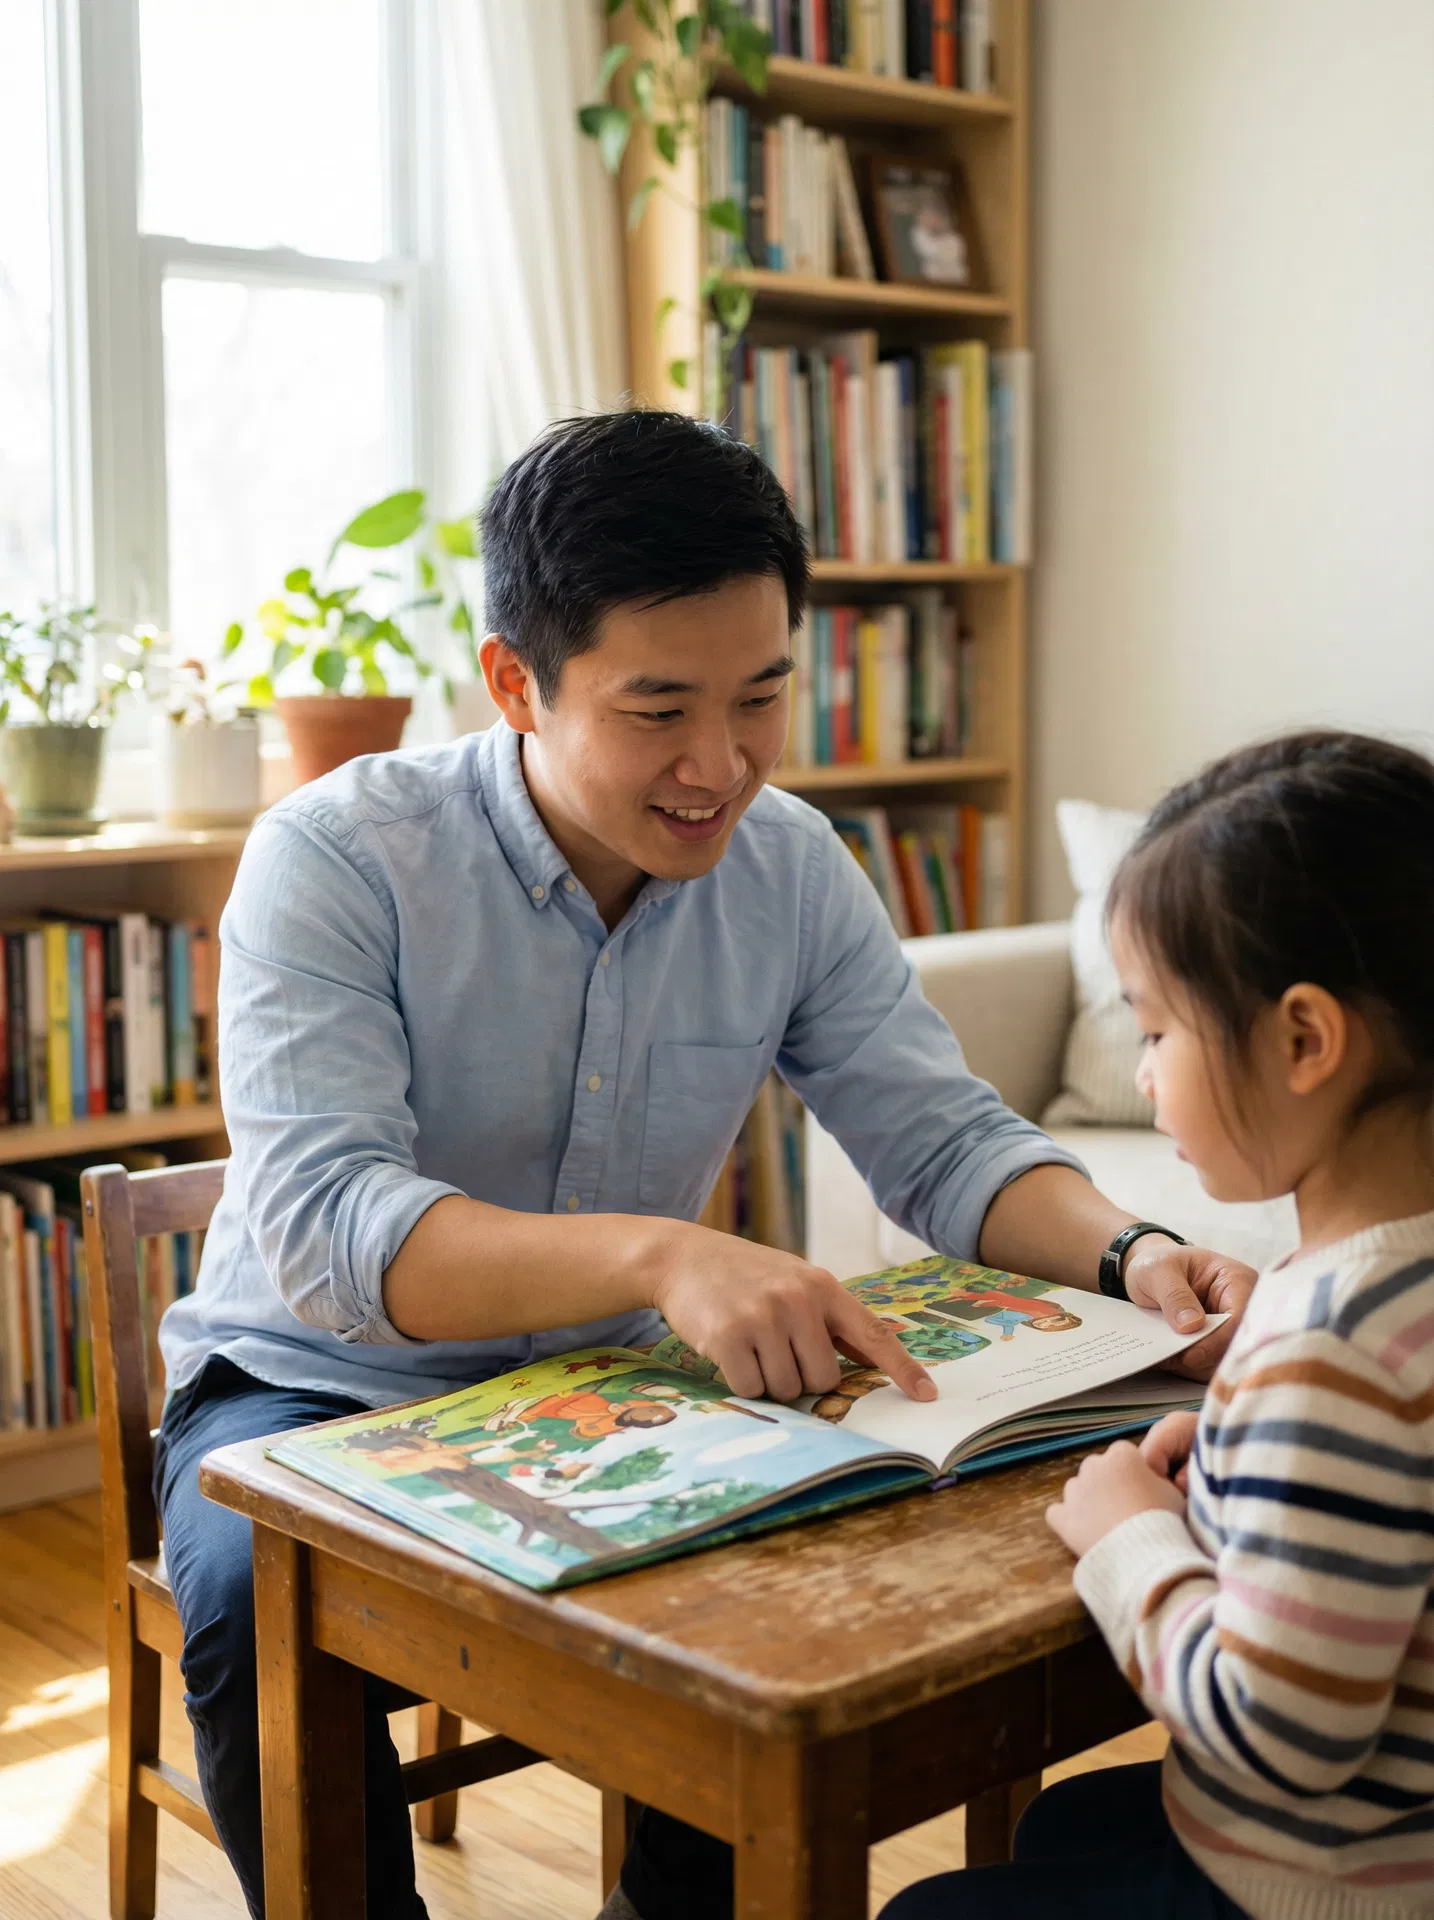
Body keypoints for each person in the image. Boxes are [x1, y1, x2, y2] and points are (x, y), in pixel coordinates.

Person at [151, 408, 1252, 1920]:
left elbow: (939, 1137)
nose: (719, 766)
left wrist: (1134, 1254)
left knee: (783, 1653)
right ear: (513, 684)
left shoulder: (789, 862)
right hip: (307, 1390)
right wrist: (666, 1256)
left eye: (761, 699)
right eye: (657, 709)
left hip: (614, 1387)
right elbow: (338, 1232)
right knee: (236, 1601)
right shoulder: (337, 855)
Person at [882, 729, 1434, 1920]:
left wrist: (1134, 1535)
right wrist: (1235, 1474)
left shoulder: (1331, 1342)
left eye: (1156, 1031)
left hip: (1323, 1884)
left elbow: (1280, 1736)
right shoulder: (1380, 1290)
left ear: (1303, 1040)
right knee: (1063, 1821)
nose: (1142, 1076)